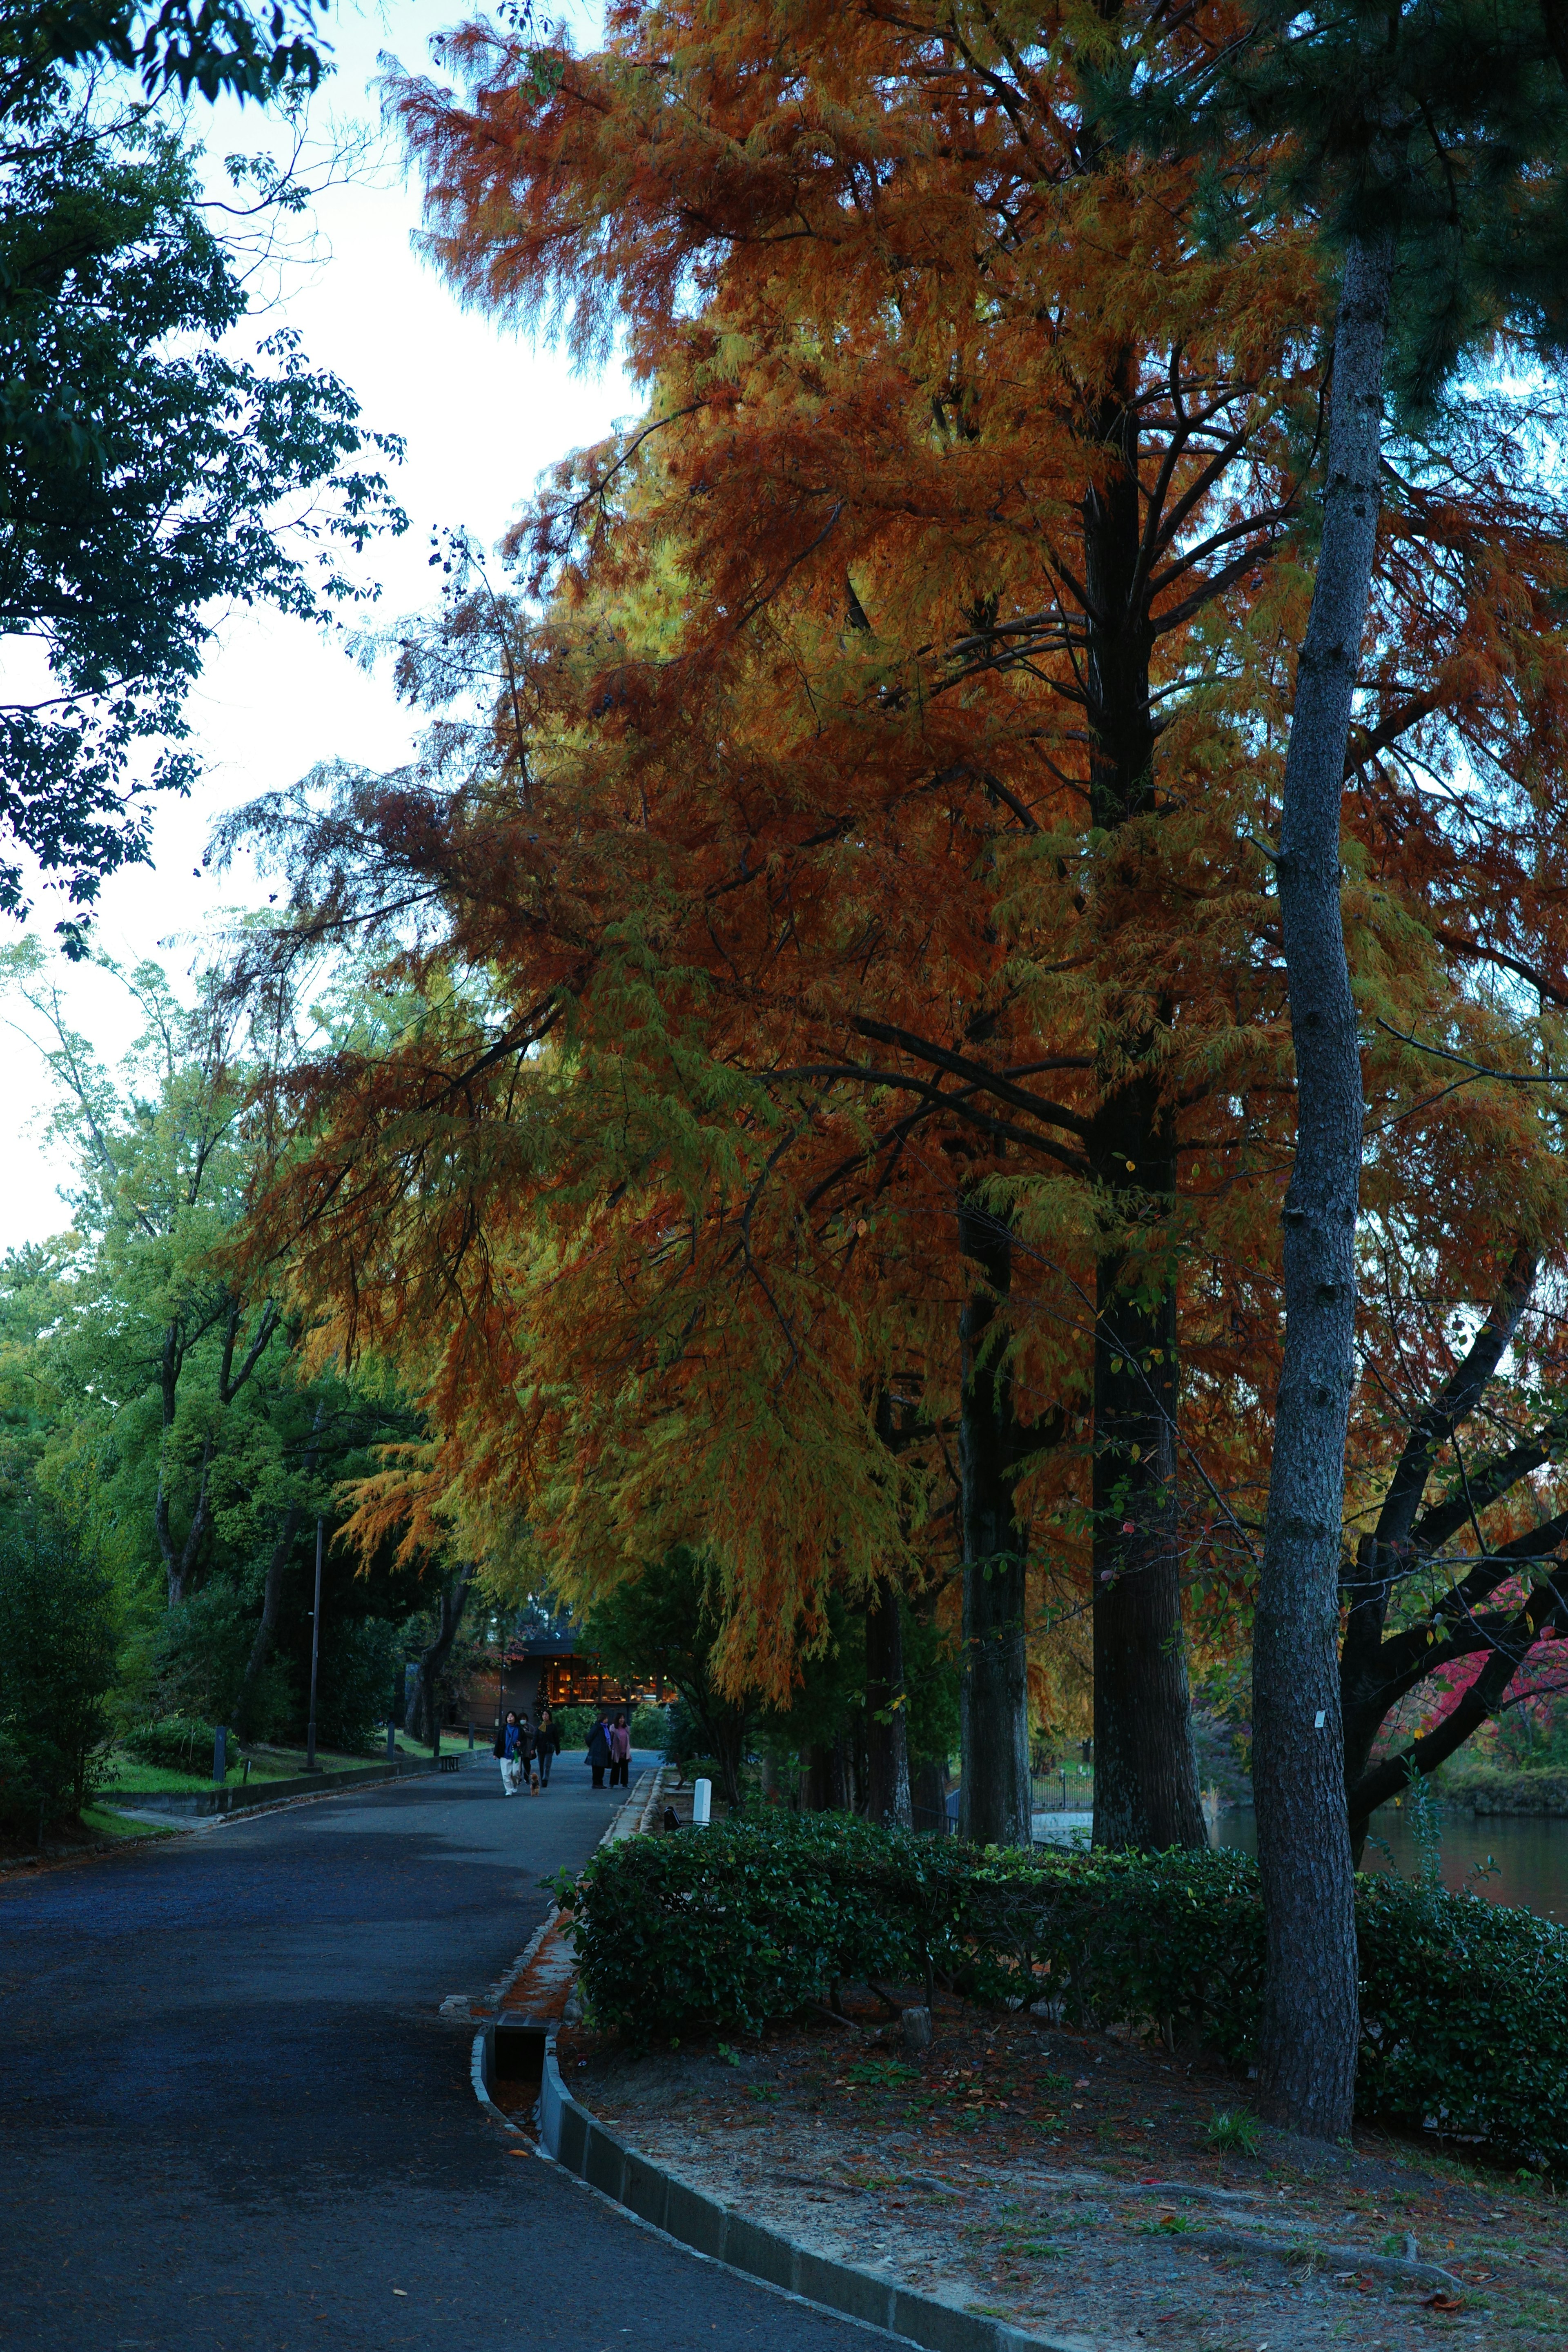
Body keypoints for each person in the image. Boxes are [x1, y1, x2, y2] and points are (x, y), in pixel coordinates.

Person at [497, 1710, 524, 1796]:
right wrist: (495, 1753)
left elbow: (524, 1740)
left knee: (516, 1772)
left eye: (512, 1717)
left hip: (516, 1754)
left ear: (515, 1718)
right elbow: (498, 1741)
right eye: (508, 1717)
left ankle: (515, 1785)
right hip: (504, 1754)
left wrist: (521, 1743)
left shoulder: (519, 1729)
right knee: (506, 1774)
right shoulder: (503, 1729)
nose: (510, 1718)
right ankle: (508, 1790)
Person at [535, 1707, 561, 1789]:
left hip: (549, 1749)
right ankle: (542, 1779)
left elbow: (556, 1738)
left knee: (547, 1765)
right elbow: (536, 1738)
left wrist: (558, 1749)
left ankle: (545, 1779)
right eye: (543, 1715)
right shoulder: (539, 1727)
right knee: (541, 1765)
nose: (545, 1716)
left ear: (549, 1716)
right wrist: (532, 1749)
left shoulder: (553, 1727)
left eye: (546, 1715)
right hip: (540, 1749)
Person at [586, 1713, 611, 1788]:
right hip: (597, 1751)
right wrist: (593, 1746)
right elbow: (589, 1738)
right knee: (597, 1768)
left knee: (602, 1768)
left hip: (604, 1751)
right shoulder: (597, 1727)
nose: (607, 1720)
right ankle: (596, 1783)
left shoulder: (606, 1728)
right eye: (605, 1719)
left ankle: (600, 1783)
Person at [608, 1711, 631, 1788]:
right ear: (617, 1719)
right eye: (621, 1718)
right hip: (616, 1752)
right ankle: (612, 1783)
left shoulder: (627, 1728)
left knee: (625, 1769)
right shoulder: (613, 1728)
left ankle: (625, 1784)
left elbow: (628, 1740)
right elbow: (610, 1739)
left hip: (625, 1752)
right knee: (615, 1768)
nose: (622, 1720)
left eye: (623, 1718)